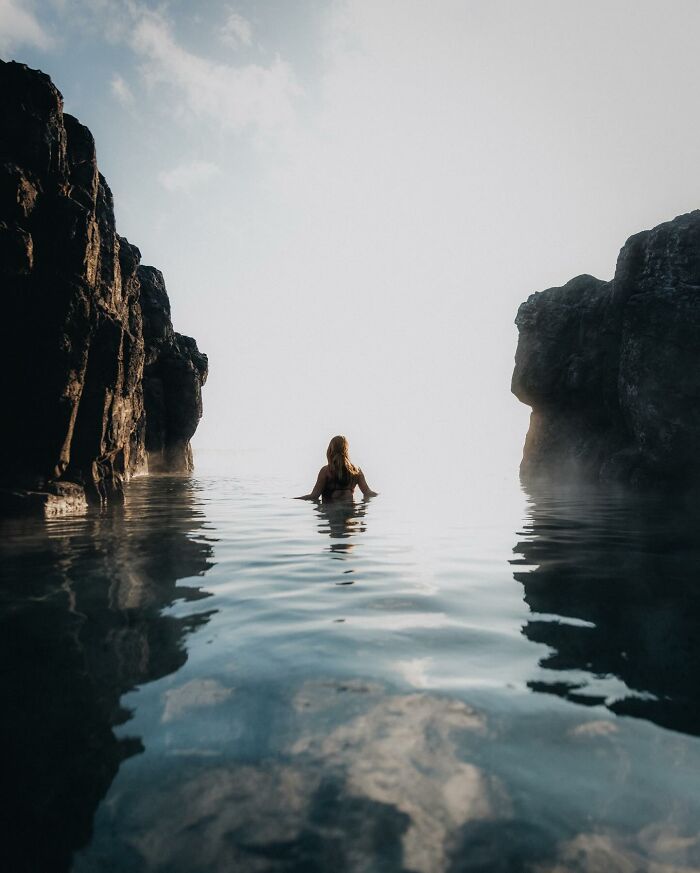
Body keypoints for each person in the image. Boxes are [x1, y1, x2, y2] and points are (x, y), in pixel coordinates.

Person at [296, 435, 378, 500]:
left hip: (331, 513)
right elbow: (368, 493)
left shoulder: (326, 471)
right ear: (346, 450)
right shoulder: (356, 471)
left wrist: (293, 499)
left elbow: (314, 496)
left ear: (330, 451)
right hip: (349, 513)